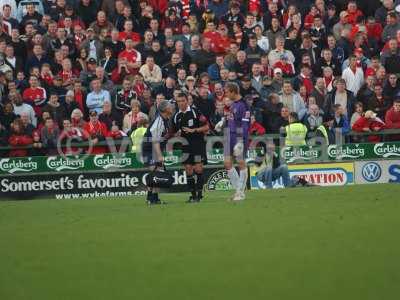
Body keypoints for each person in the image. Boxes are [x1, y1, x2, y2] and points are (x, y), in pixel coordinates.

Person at [171, 92, 209, 202]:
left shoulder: (195, 111)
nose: (181, 103)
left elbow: (206, 126)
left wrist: (194, 130)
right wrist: (176, 134)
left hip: (197, 145)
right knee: (188, 170)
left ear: (187, 101)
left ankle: (199, 195)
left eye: (183, 101)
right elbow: (173, 132)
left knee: (198, 168)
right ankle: (193, 195)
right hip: (185, 147)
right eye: (178, 101)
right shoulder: (176, 116)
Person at [220, 82, 250, 201]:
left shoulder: (244, 105)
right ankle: (238, 191)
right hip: (229, 135)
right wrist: (222, 122)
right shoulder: (233, 104)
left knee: (241, 163)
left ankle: (240, 193)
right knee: (227, 163)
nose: (225, 94)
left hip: (239, 137)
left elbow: (245, 124)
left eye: (227, 92)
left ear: (233, 92)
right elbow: (231, 118)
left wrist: (241, 141)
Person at [141, 100, 174, 205]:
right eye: (170, 106)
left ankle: (150, 198)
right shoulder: (159, 121)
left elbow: (161, 138)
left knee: (154, 173)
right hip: (150, 149)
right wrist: (160, 157)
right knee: (157, 173)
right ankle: (154, 199)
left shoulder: (165, 119)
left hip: (153, 149)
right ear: (165, 110)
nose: (172, 107)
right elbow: (155, 141)